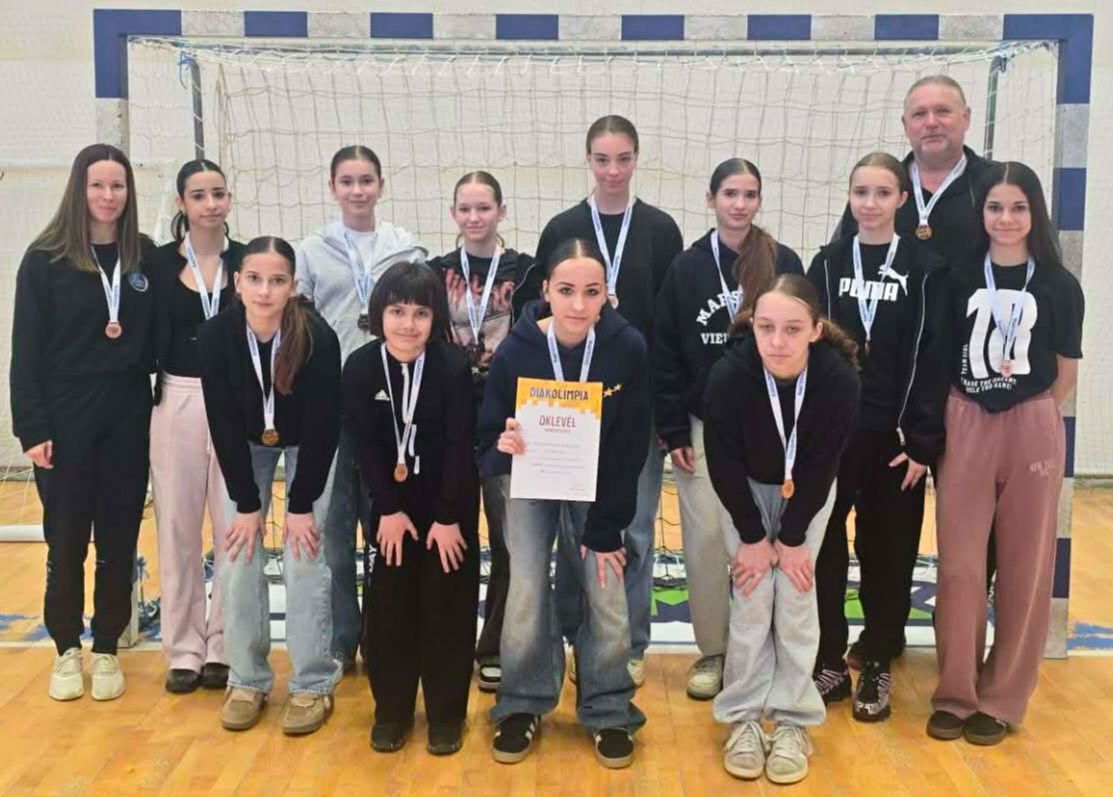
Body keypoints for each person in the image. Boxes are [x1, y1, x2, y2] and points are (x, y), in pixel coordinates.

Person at [834, 74, 997, 669]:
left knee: (965, 536)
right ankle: (862, 643)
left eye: (943, 111)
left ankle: (963, 652)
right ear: (905, 124)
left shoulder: (992, 186)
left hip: (974, 390)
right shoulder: (865, 209)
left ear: (966, 117)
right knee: (859, 532)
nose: (932, 122)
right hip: (876, 409)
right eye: (920, 113)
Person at [479, 238, 650, 769]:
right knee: (527, 590)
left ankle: (609, 708)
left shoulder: (627, 347)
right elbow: (488, 434)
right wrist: (503, 444)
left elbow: (630, 446)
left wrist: (608, 526)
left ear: (607, 295)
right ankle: (521, 703)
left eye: (592, 292)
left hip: (599, 487)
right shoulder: (517, 349)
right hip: (530, 483)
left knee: (605, 588)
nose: (579, 304)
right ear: (547, 290)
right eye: (567, 290)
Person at [928, 162, 1083, 746]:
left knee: (1026, 566)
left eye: (1019, 207)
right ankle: (956, 693)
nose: (1007, 219)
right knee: (960, 567)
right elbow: (942, 354)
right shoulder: (957, 275)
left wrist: (1028, 415)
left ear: (1034, 213)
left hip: (1032, 422)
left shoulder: (1060, 285)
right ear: (982, 214)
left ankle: (1002, 698)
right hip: (965, 417)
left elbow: (1065, 371)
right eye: (996, 207)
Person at [534, 115, 683, 685]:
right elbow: (539, 314)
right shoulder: (563, 228)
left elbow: (669, 329)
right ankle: (575, 639)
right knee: (575, 533)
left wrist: (667, 413)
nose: (613, 170)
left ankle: (629, 645)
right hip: (568, 410)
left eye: (623, 159)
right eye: (602, 159)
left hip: (634, 409)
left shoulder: (660, 230)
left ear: (636, 159)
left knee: (635, 531)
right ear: (589, 161)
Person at [654, 157, 803, 700]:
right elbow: (666, 350)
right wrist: (674, 429)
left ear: (759, 200)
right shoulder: (687, 268)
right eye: (730, 194)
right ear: (711, 199)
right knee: (706, 541)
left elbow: (808, 341)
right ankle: (715, 651)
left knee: (768, 539)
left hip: (772, 428)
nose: (740, 204)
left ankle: (769, 649)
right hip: (702, 427)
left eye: (749, 194)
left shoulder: (783, 261)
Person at [11, 143, 155, 702]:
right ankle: (67, 648)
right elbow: (25, 350)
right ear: (79, 188)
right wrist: (32, 428)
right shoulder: (44, 259)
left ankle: (108, 648)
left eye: (118, 186)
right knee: (66, 539)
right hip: (64, 416)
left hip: (127, 414)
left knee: (119, 537)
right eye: (98, 185)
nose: (108, 196)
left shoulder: (143, 256)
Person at [807, 152, 948, 721]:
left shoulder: (926, 268)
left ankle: (879, 657)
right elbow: (810, 351)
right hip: (835, 437)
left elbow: (935, 357)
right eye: (861, 192)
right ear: (850, 198)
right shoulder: (827, 263)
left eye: (882, 193)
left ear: (902, 200)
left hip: (895, 441)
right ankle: (829, 659)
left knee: (888, 551)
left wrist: (922, 442)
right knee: (824, 546)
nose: (870, 203)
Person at [703, 274, 859, 785]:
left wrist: (792, 539)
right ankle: (744, 717)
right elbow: (721, 462)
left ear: (816, 330)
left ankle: (793, 719)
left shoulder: (838, 379)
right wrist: (752, 537)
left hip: (807, 490)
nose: (777, 341)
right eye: (766, 327)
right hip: (744, 491)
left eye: (792, 329)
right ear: (752, 326)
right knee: (751, 597)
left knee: (795, 596)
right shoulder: (729, 376)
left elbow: (823, 464)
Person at [199, 235, 341, 735]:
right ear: (237, 283)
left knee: (305, 555)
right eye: (255, 280)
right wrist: (246, 502)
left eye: (277, 281)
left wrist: (301, 505)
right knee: (237, 555)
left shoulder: (317, 337)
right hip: (244, 445)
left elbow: (325, 426)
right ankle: (247, 678)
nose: (265, 291)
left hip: (308, 446)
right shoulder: (216, 337)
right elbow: (221, 423)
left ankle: (313, 683)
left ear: (293, 286)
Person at [295, 145, 427, 671]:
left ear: (380, 186)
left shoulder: (406, 249)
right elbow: (298, 328)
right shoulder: (310, 251)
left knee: (389, 525)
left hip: (391, 407)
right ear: (332, 187)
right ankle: (340, 639)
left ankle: (386, 634)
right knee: (333, 531)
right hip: (329, 407)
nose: (357, 190)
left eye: (366, 180)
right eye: (347, 181)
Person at [343, 261, 480, 755]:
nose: (408, 324)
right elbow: (365, 447)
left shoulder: (453, 367)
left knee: (448, 608)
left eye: (421, 313)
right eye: (397, 311)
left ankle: (446, 715)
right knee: (389, 610)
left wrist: (448, 517)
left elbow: (461, 448)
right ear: (379, 313)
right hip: (391, 511)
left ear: (435, 317)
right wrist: (387, 509)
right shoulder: (360, 368)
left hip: (448, 510)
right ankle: (392, 712)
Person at [427, 170, 537, 693]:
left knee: (510, 540)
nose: (474, 218)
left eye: (484, 208)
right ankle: (447, 643)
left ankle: (496, 645)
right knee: (452, 532)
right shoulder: (434, 273)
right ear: (453, 214)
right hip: (449, 419)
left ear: (501, 211)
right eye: (465, 209)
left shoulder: (527, 271)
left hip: (505, 420)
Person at [148, 158, 246, 694]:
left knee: (234, 526)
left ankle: (224, 646)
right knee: (178, 527)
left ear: (229, 199)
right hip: (177, 398)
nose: (211, 204)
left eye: (219, 193)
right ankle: (183, 647)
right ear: (182, 203)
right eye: (199, 195)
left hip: (236, 401)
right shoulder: (157, 265)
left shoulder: (248, 260)